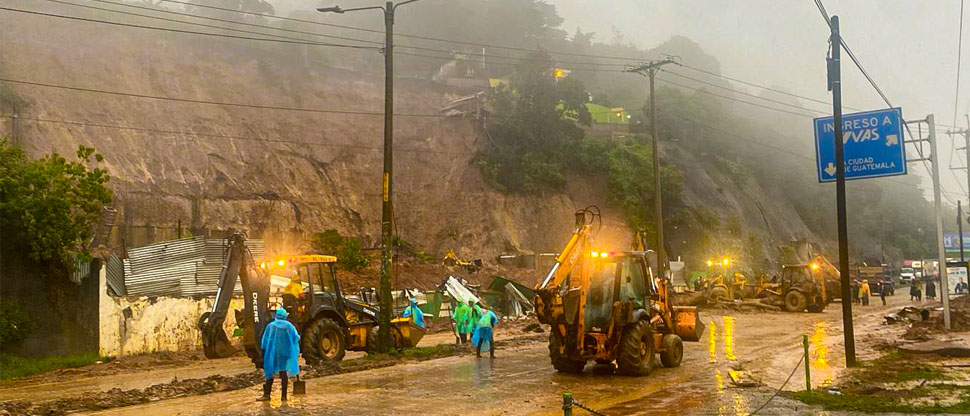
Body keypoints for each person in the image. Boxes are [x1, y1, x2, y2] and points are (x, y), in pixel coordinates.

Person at [258, 308, 300, 402]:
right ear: (285, 316)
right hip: (285, 353)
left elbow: (265, 340)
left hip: (273, 353)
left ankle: (267, 395)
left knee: (270, 372)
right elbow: (296, 338)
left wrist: (263, 351)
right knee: (283, 372)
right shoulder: (289, 326)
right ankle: (284, 396)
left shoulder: (271, 326)